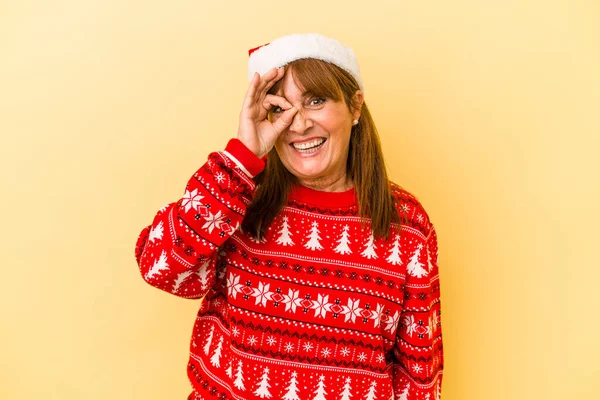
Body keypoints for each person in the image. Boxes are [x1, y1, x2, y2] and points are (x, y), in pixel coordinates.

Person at [134, 33, 443, 400]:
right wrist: (241, 158)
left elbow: (419, 375)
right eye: (279, 108)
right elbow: (158, 265)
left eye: (316, 100)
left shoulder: (406, 226)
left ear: (355, 106)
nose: (298, 125)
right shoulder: (237, 199)